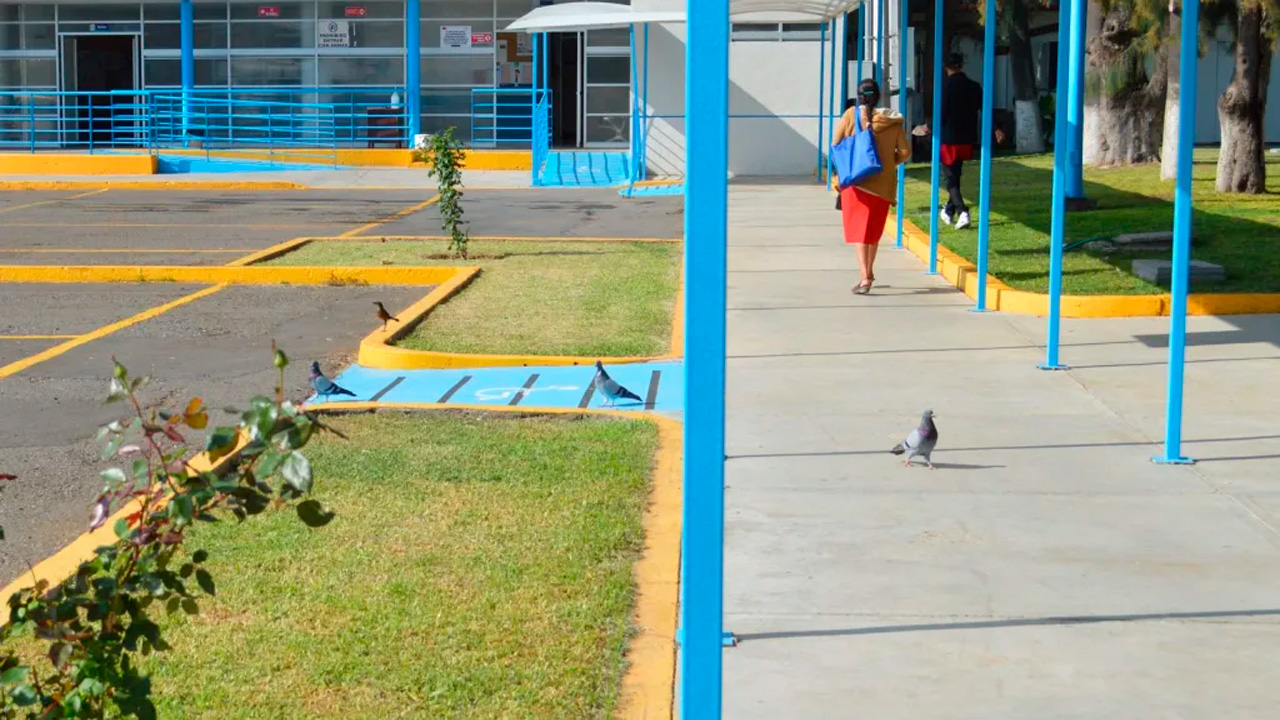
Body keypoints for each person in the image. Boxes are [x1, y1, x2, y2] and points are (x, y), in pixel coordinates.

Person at [832, 78, 911, 294]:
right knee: (873, 231)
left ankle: (864, 277)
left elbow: (835, 144)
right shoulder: (892, 121)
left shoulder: (850, 115)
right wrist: (886, 164)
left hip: (856, 183)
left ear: (858, 97)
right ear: (878, 96)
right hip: (883, 185)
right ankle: (870, 271)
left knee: (860, 233)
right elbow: (905, 152)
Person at [938, 53, 983, 230]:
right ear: (962, 65)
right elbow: (983, 107)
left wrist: (929, 128)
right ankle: (948, 210)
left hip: (949, 138)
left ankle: (962, 211)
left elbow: (942, 112)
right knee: (956, 174)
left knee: (949, 178)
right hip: (967, 138)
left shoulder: (946, 87)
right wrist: (997, 128)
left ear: (946, 67)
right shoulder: (974, 86)